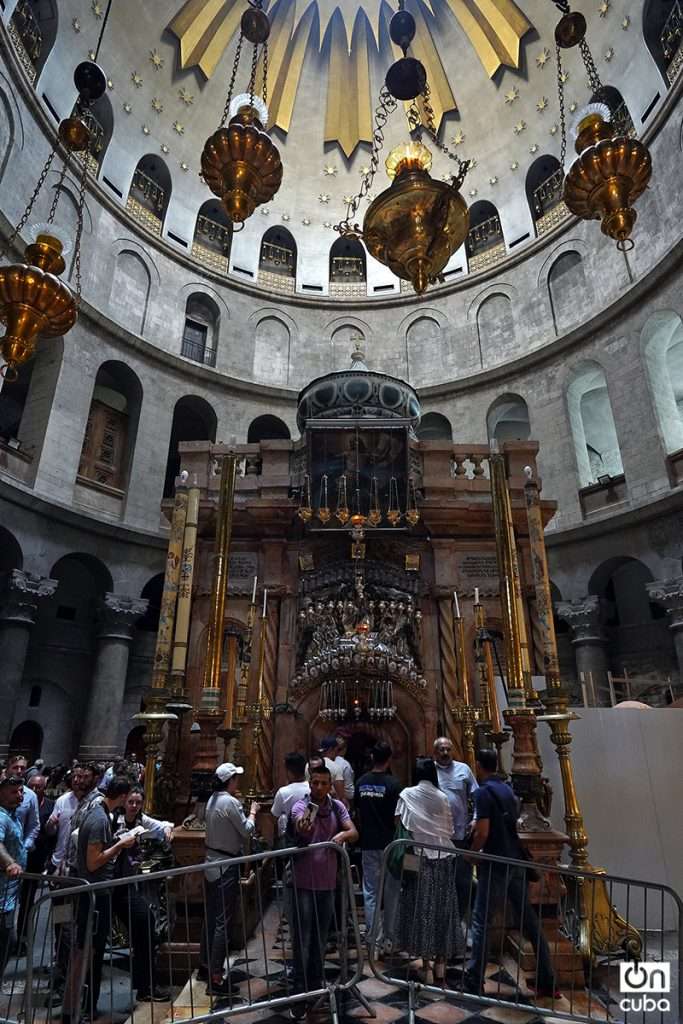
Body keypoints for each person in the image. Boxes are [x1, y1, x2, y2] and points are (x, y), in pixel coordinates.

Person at [464, 749, 558, 998]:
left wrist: (471, 853)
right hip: (515, 860)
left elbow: (483, 832)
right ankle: (548, 979)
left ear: (478, 765)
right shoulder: (507, 790)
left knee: (481, 921)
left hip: (495, 862)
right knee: (528, 920)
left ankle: (474, 979)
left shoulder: (483, 792)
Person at [61, 775, 137, 1024]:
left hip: (95, 892)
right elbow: (93, 862)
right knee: (86, 953)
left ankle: (82, 1008)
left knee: (90, 952)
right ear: (124, 796)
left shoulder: (99, 814)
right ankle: (76, 1011)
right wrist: (120, 845)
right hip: (93, 893)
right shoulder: (99, 818)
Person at [289, 763, 358, 1018]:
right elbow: (300, 824)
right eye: (315, 783)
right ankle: (299, 991)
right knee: (302, 940)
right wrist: (304, 825)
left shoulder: (337, 807)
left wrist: (341, 836)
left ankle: (315, 987)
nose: (319, 787)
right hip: (304, 883)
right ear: (309, 784)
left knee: (319, 939)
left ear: (330, 785)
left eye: (323, 783)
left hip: (327, 884)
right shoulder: (302, 805)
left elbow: (353, 831)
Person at [392, 757, 463, 985]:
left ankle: (426, 965)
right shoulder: (442, 797)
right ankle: (441, 964)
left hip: (416, 857)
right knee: (443, 908)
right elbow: (449, 829)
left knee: (421, 909)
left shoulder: (407, 794)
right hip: (443, 858)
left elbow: (398, 823)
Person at [201, 763, 260, 1000]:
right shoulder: (230, 802)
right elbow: (246, 830)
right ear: (230, 781)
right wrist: (254, 811)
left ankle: (206, 967)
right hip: (226, 865)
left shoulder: (212, 799)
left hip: (211, 862)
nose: (238, 782)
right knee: (222, 922)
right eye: (236, 778)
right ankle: (216, 978)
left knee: (212, 916)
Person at [110, 786, 173, 1002]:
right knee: (94, 942)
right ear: (123, 801)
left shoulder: (141, 820)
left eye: (138, 802)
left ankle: (145, 987)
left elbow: (163, 825)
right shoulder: (110, 819)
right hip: (106, 884)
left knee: (145, 926)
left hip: (124, 886)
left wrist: (167, 829)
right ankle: (83, 1000)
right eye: (131, 802)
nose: (134, 806)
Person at [354, 741, 401, 938]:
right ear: (389, 758)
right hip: (390, 844)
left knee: (371, 891)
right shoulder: (394, 784)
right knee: (391, 892)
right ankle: (389, 936)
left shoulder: (361, 782)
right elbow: (398, 818)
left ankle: (373, 936)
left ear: (372, 757)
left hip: (368, 842)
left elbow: (357, 812)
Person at [433, 736, 478, 916]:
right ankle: (443, 918)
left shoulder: (464, 769)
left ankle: (461, 919)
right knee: (440, 880)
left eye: (448, 749)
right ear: (435, 752)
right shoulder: (429, 770)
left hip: (460, 835)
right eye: (441, 749)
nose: (445, 753)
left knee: (462, 880)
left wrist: (475, 819)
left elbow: (476, 796)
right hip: (438, 836)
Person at [16, 774, 56, 942]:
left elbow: (52, 835)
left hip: (36, 858)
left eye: (38, 787)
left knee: (27, 899)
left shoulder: (50, 805)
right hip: (17, 854)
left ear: (44, 788)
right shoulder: (18, 801)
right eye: (31, 786)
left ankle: (23, 936)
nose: (34, 789)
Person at [0, 776, 27, 981]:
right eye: (14, 792)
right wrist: (10, 863)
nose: (19, 796)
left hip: (9, 896)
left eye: (21, 792)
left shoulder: (12, 815)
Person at [271, 753, 309, 843]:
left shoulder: (283, 792)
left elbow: (275, 818)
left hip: (290, 841)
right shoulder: (312, 788)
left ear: (289, 771)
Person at [6, 755, 39, 854]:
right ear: (8, 769)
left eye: (23, 768)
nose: (19, 771)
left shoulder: (31, 796)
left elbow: (34, 825)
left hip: (16, 851)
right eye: (15, 767)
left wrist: (24, 847)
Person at [305, 737, 346, 805]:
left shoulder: (308, 765)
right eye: (337, 750)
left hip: (310, 802)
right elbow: (340, 795)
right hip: (327, 805)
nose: (337, 753)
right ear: (331, 749)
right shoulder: (336, 767)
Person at [334, 734, 355, 805]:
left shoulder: (324, 762)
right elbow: (349, 792)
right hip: (341, 803)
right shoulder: (344, 764)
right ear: (345, 748)